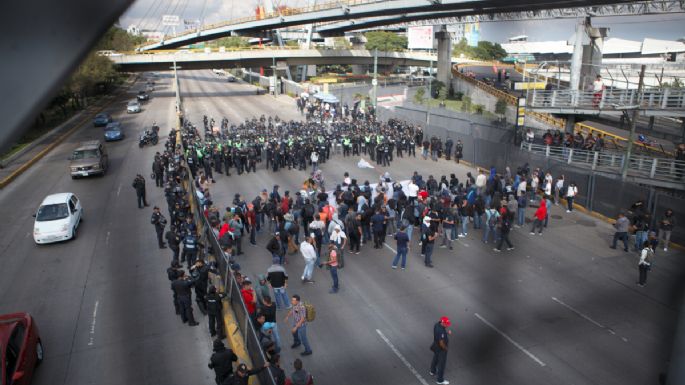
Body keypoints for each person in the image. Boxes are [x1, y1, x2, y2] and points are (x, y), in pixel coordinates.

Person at [429, 316, 451, 385]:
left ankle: (432, 371)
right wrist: (445, 348)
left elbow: (440, 334)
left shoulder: (437, 325)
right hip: (441, 349)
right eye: (446, 324)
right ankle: (440, 380)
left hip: (435, 346)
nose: (447, 325)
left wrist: (446, 333)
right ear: (442, 322)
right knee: (441, 364)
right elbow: (441, 342)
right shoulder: (441, 330)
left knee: (435, 358)